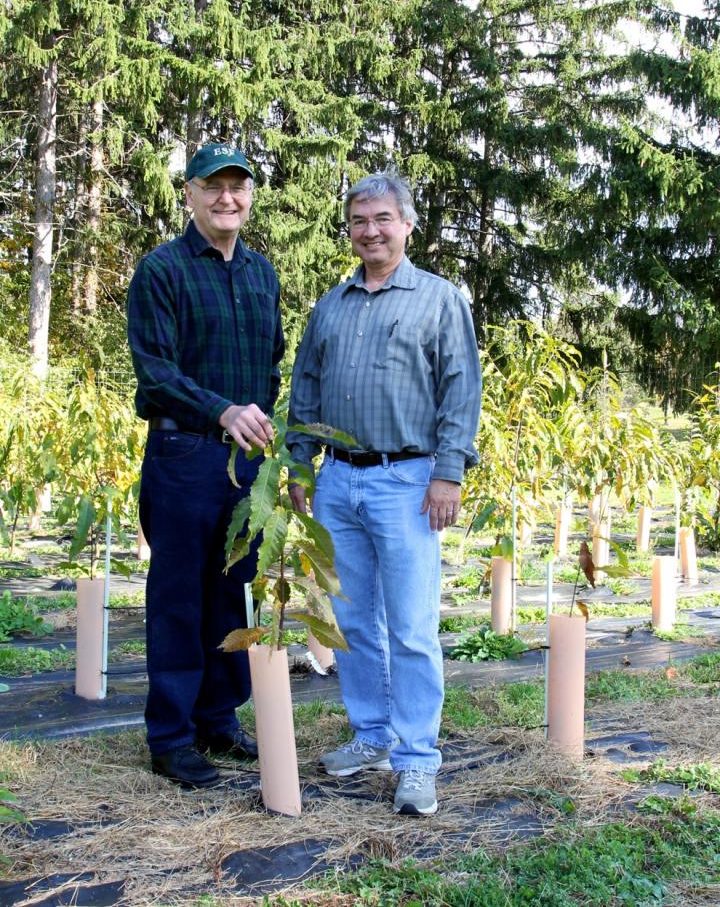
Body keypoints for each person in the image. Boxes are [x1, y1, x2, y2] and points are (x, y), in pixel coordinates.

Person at [287, 173, 481, 815]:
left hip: (408, 482)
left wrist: (448, 472)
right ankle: (371, 736)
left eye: (383, 218)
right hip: (338, 480)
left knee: (412, 627)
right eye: (359, 220)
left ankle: (418, 759)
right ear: (350, 229)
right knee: (351, 623)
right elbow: (305, 388)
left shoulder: (439, 299)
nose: (370, 230)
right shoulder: (331, 304)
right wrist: (300, 465)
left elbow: (460, 390)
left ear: (407, 224)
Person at [127, 143, 284, 788]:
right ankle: (170, 735)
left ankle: (219, 717)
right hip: (184, 454)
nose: (227, 199)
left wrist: (259, 428)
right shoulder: (161, 270)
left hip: (242, 463)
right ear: (189, 193)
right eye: (213, 187)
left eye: (238, 188)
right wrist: (220, 410)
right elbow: (156, 371)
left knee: (230, 591)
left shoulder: (261, 274)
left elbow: (271, 363)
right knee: (178, 597)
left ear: (250, 197)